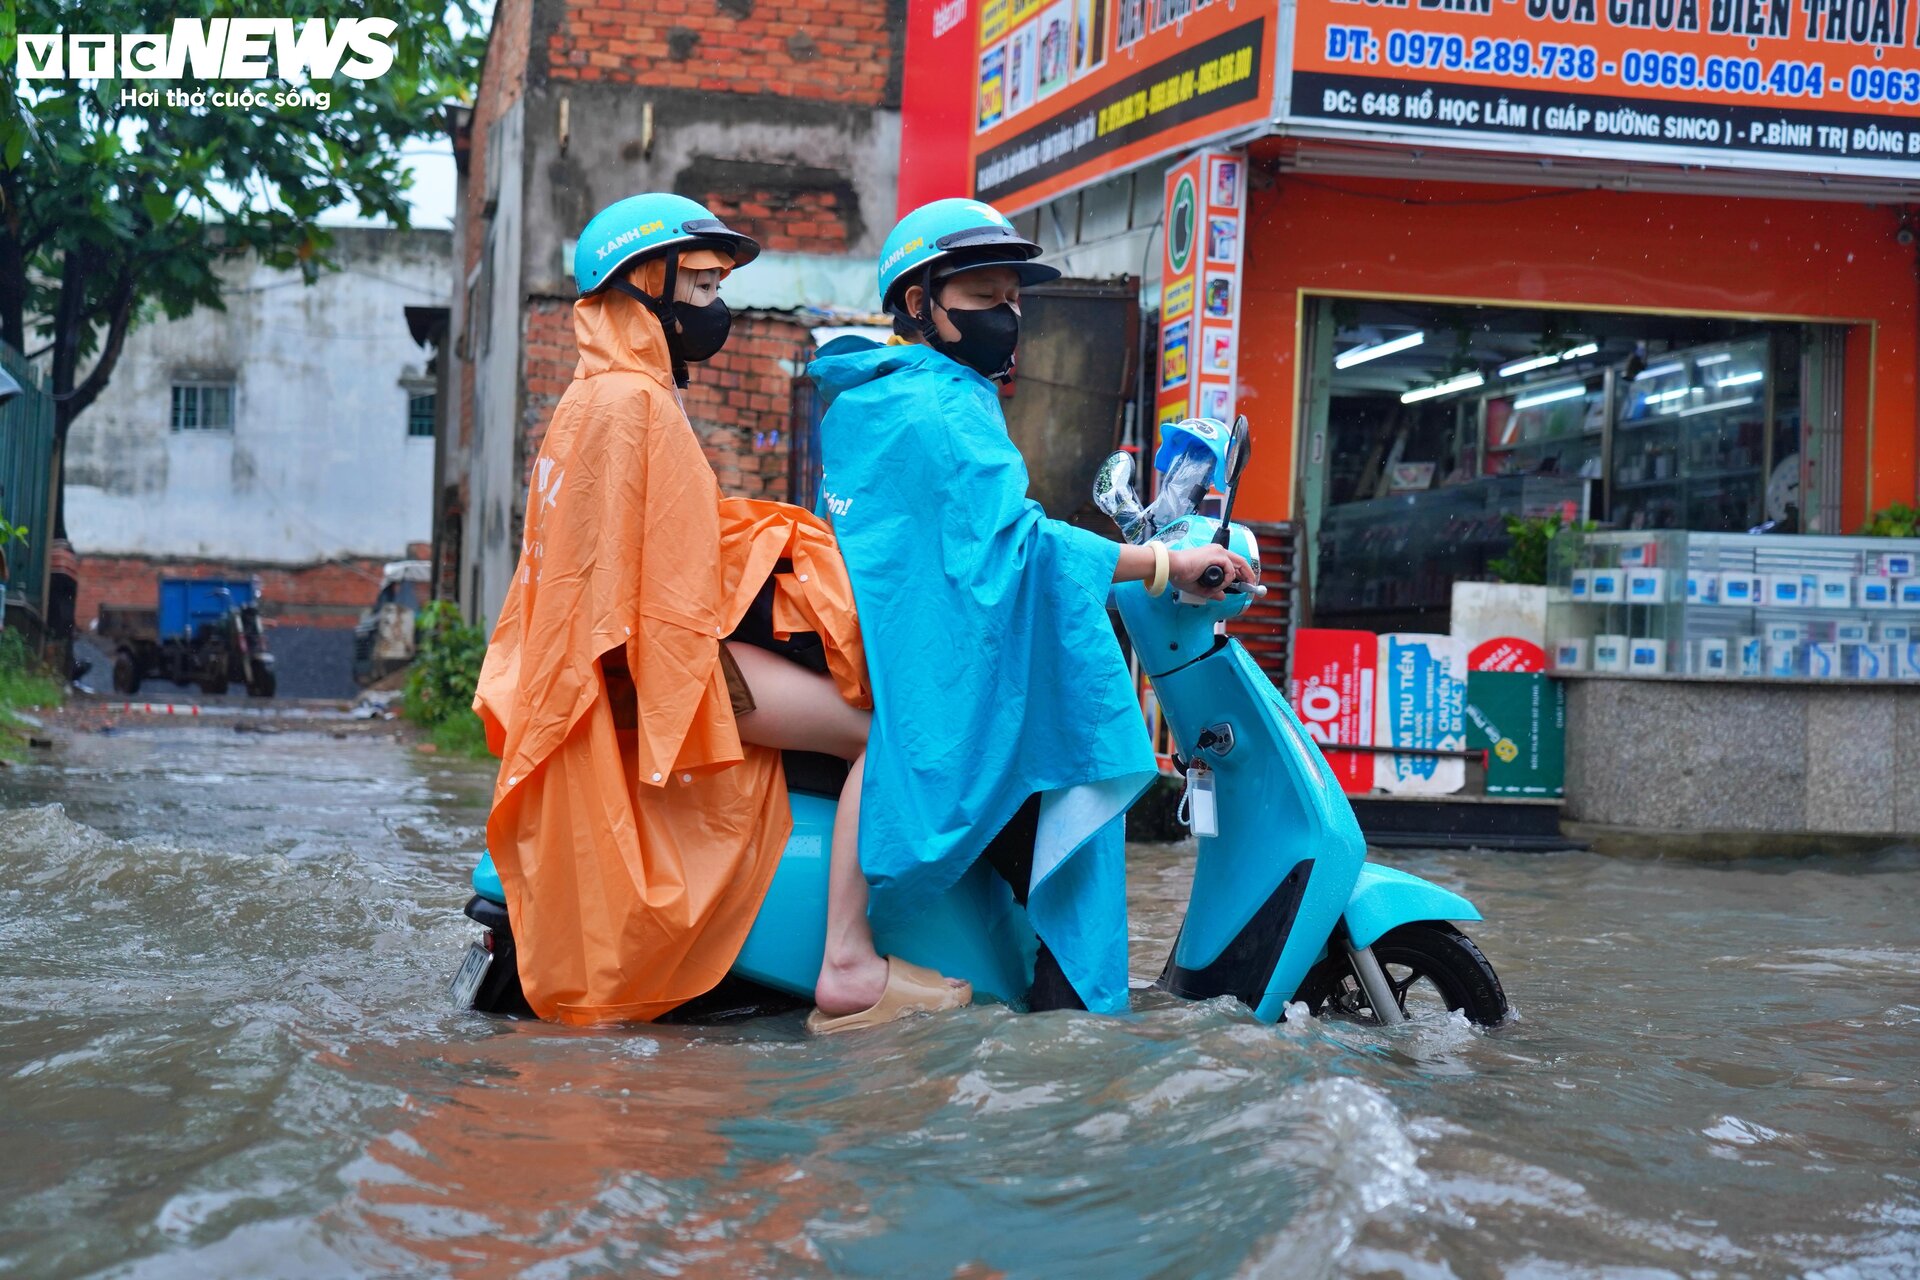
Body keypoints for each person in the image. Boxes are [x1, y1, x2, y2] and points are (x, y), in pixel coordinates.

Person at [474, 193, 967, 1027]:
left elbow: (630, 551)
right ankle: (849, 962)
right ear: (640, 284)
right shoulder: (636, 404)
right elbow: (671, 590)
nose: (715, 308)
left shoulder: (588, 399)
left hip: (610, 665)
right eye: (699, 288)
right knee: (882, 734)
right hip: (664, 663)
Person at [807, 198, 1256, 1016]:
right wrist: (1165, 562)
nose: (1005, 318)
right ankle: (1072, 1027)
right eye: (983, 298)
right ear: (919, 303)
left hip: (909, 652)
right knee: (1075, 775)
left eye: (1012, 300)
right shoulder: (943, 406)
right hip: (936, 679)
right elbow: (1019, 548)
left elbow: (971, 548)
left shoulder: (881, 397)